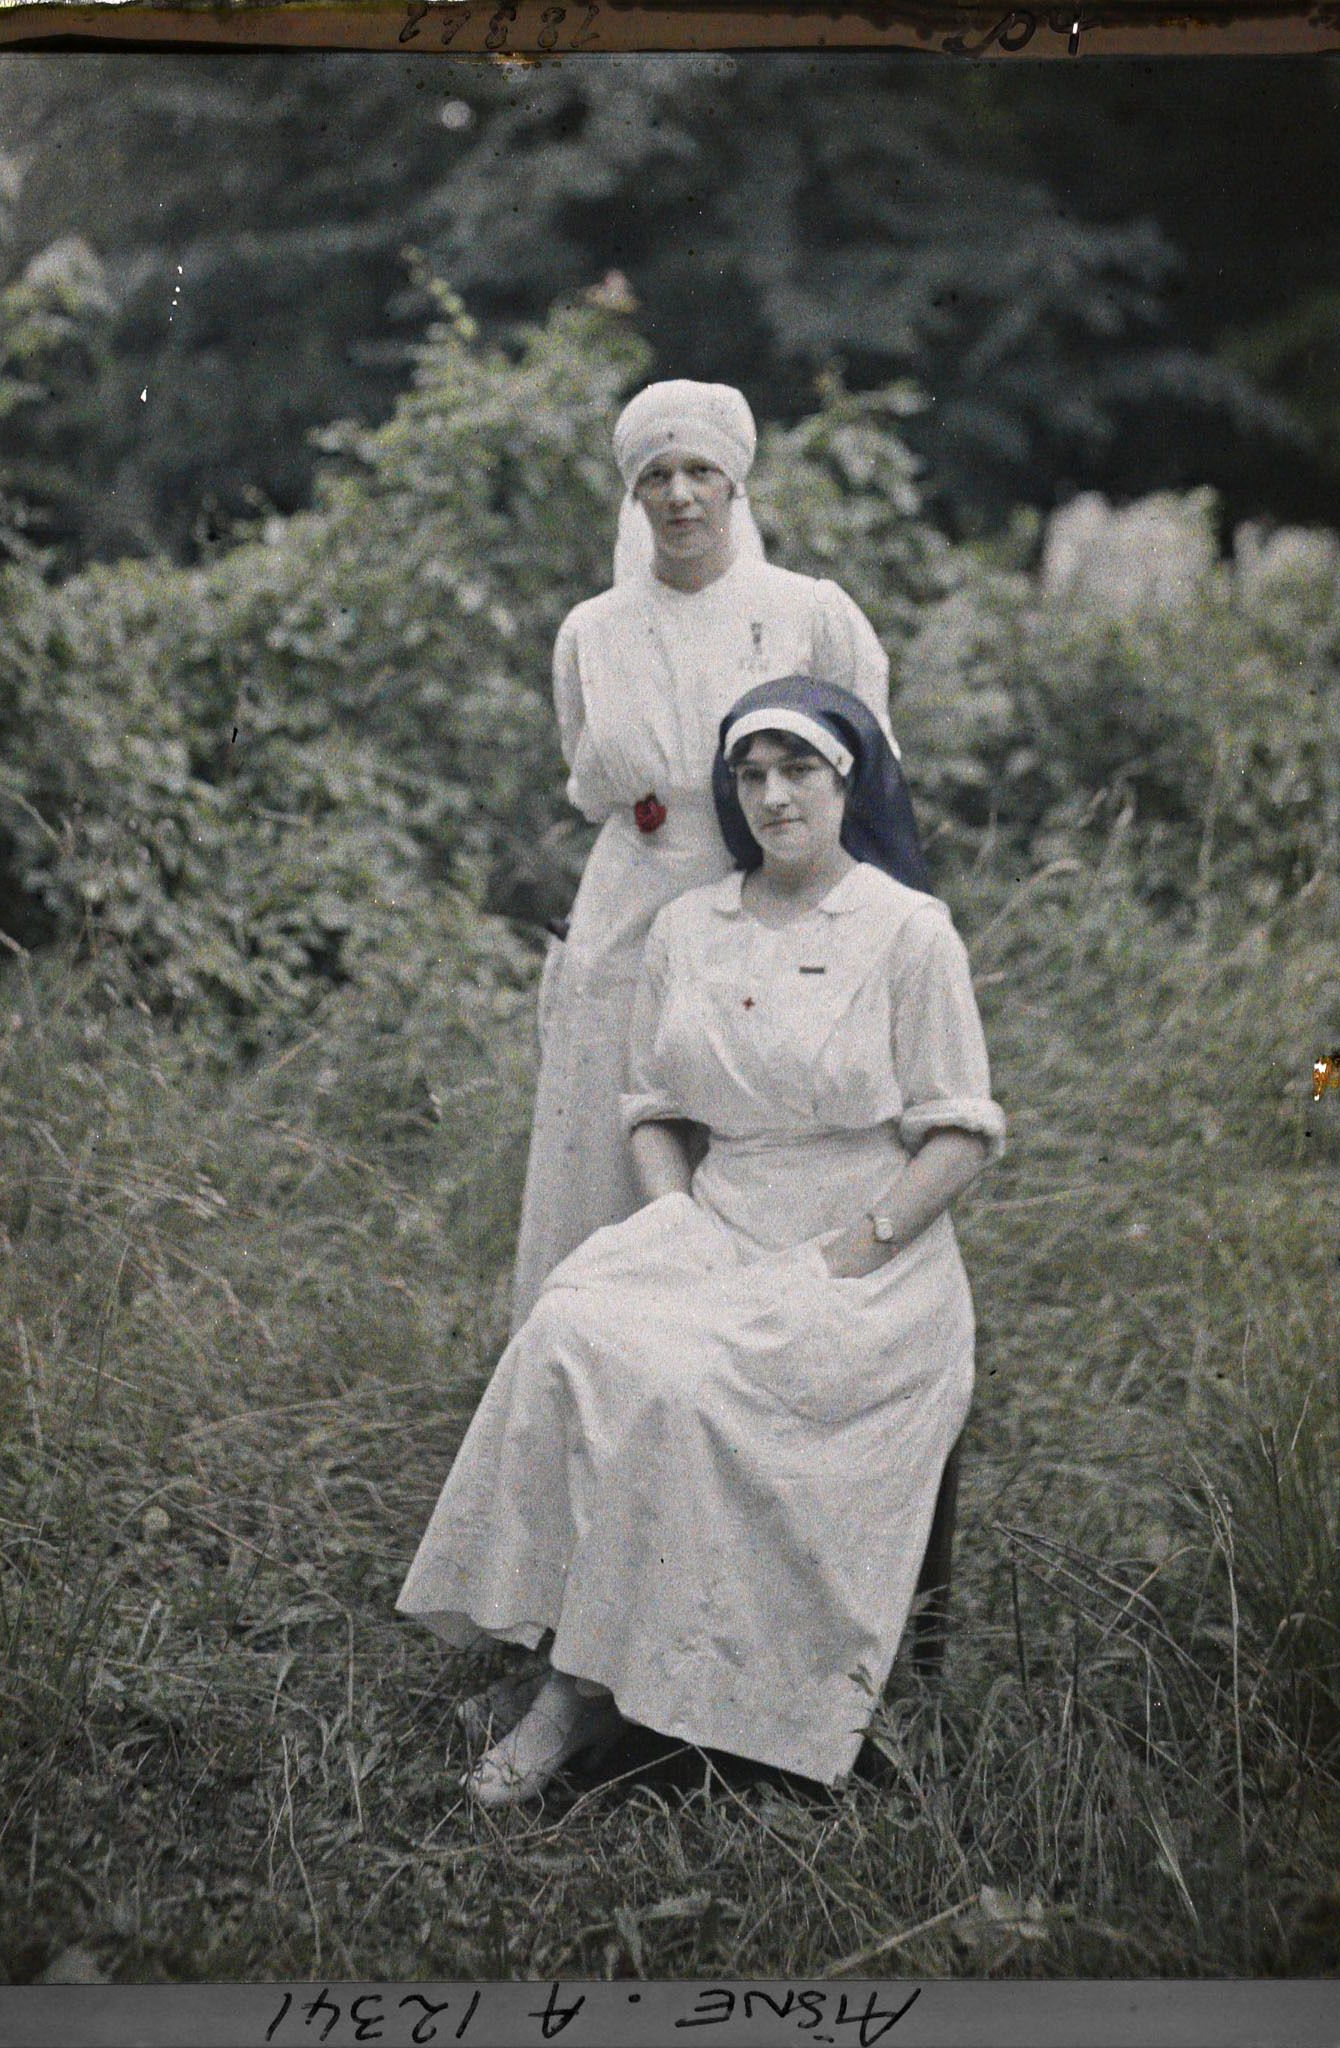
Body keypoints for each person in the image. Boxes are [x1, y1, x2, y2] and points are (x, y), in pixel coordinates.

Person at [397, 677, 1002, 1806]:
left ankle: (582, 1695)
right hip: (717, 1218)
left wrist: (853, 1251)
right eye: (750, 773)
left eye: (799, 770)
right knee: (572, 1327)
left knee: (680, 1385)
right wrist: (673, 1214)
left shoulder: (908, 930)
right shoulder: (692, 924)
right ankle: (574, 1646)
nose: (773, 795)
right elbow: (652, 1105)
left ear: (848, 780)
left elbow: (960, 1135)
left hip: (866, 1257)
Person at [508, 379, 923, 1332]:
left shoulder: (807, 613)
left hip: (773, 898)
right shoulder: (591, 631)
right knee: (617, 1136)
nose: (680, 495)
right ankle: (602, 1360)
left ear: (736, 485)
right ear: (633, 495)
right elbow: (589, 774)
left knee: (764, 1127)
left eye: (700, 471)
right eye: (656, 475)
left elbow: (868, 775)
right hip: (632, 901)